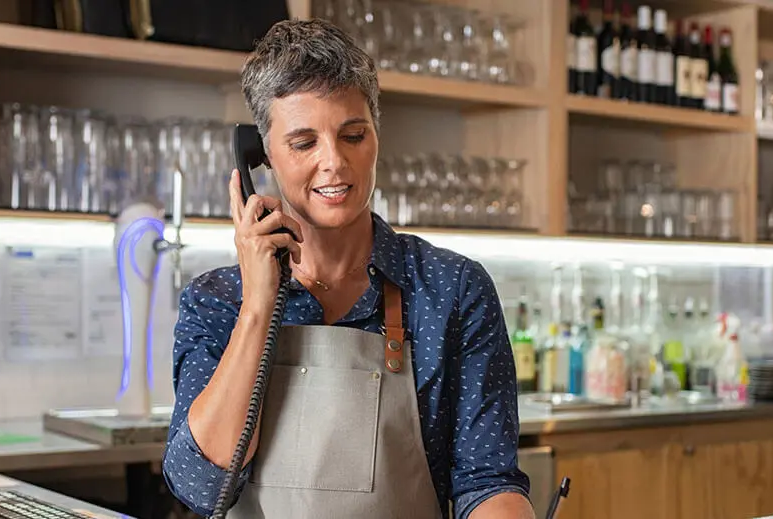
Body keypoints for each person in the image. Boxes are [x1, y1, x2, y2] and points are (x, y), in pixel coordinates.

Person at [161, 18, 533, 519]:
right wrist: (258, 306)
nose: (334, 162)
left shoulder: (453, 290)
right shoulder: (218, 300)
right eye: (303, 142)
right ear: (260, 155)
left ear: (377, 134)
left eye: (353, 135)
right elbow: (202, 484)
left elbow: (487, 482)